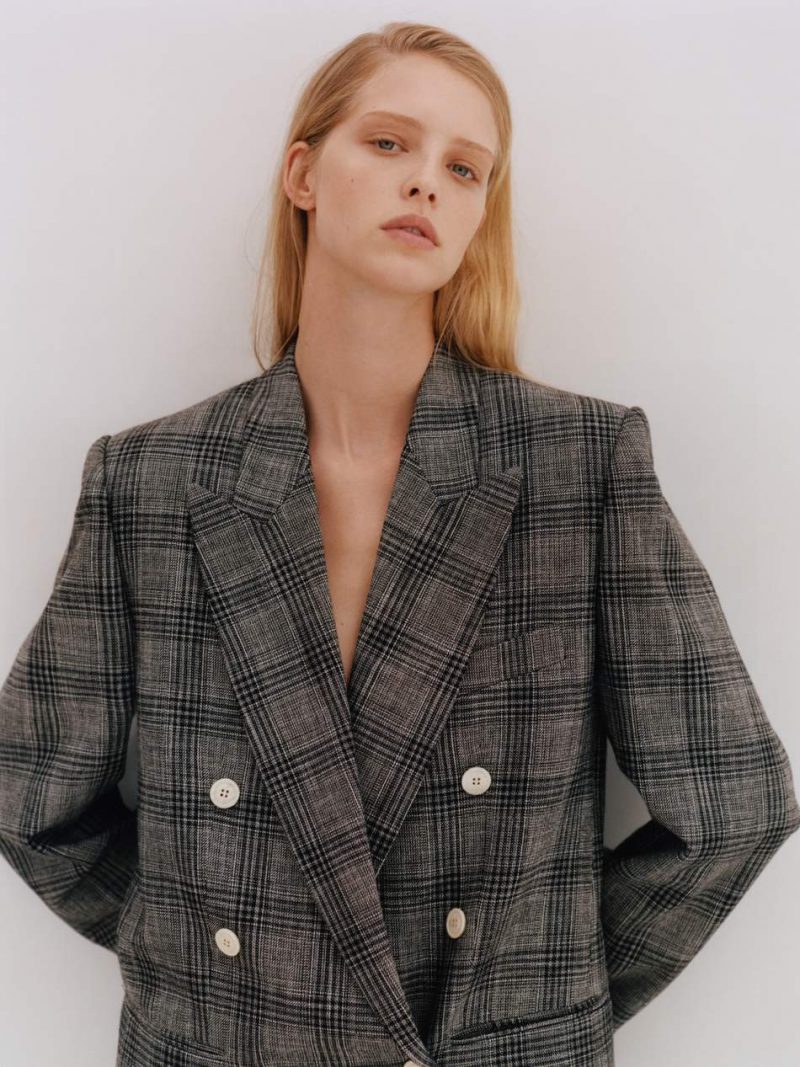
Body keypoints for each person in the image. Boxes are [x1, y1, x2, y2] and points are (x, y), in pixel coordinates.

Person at [1, 20, 798, 1067]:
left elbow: (733, 804)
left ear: (477, 215)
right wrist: (206, 963)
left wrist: (533, 1002)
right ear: (303, 174)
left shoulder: (579, 464)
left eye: (464, 168)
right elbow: (31, 798)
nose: (426, 180)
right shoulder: (151, 478)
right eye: (387, 143)